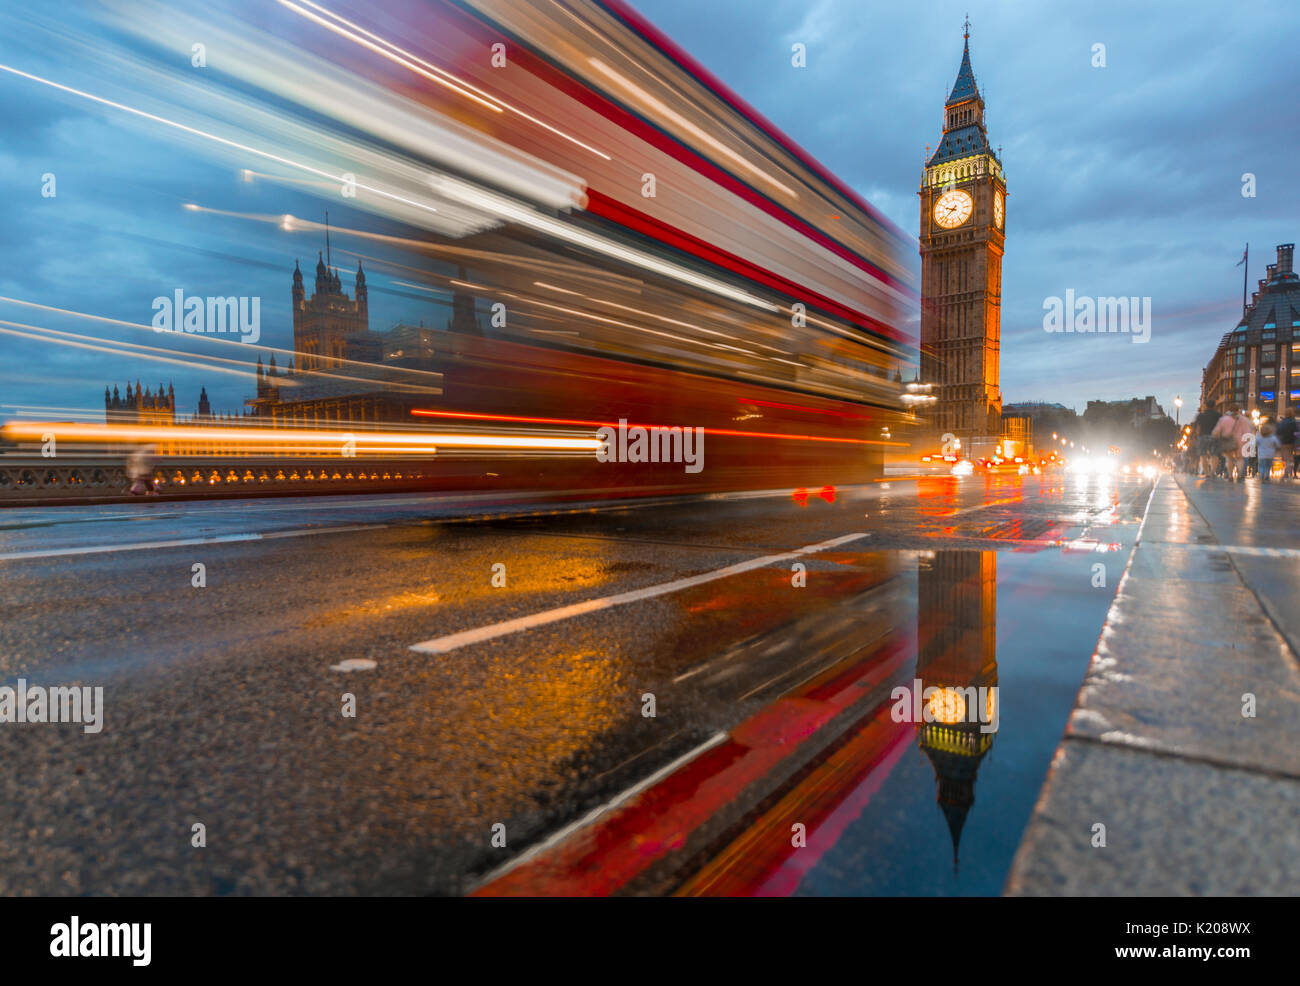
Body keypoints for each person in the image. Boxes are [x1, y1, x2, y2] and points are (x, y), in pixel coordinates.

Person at [1211, 407, 1240, 480]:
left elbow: (1217, 430)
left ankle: (1229, 474)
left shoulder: (1223, 420)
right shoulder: (1237, 419)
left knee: (1228, 457)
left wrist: (1214, 436)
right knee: (1233, 458)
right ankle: (1233, 474)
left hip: (1225, 440)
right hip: (1235, 439)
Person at [1194, 405, 1221, 477]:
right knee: (1214, 455)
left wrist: (1197, 434)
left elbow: (1196, 426)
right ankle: (1213, 471)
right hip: (1214, 436)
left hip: (1203, 436)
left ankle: (1207, 473)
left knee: (1203, 455)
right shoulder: (1218, 415)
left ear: (1206, 406)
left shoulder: (1201, 415)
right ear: (1214, 406)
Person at [1277, 408, 1298, 479]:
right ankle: (1289, 472)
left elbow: (1278, 431)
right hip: (1292, 442)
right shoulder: (1294, 422)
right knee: (1290, 457)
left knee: (1286, 459)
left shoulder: (1283, 422)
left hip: (1284, 442)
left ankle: (1286, 473)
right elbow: (1296, 432)